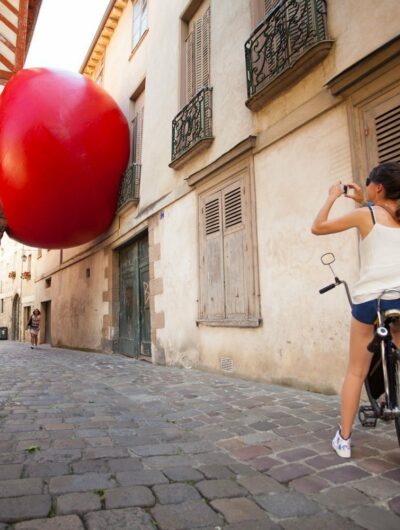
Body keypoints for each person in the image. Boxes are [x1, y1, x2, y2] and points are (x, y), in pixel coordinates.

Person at [311, 161, 400, 458]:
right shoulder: (382, 212)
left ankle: (344, 439)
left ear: (379, 187)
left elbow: (318, 226)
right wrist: (363, 199)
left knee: (356, 370)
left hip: (370, 301)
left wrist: (333, 195)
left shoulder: (366, 214)